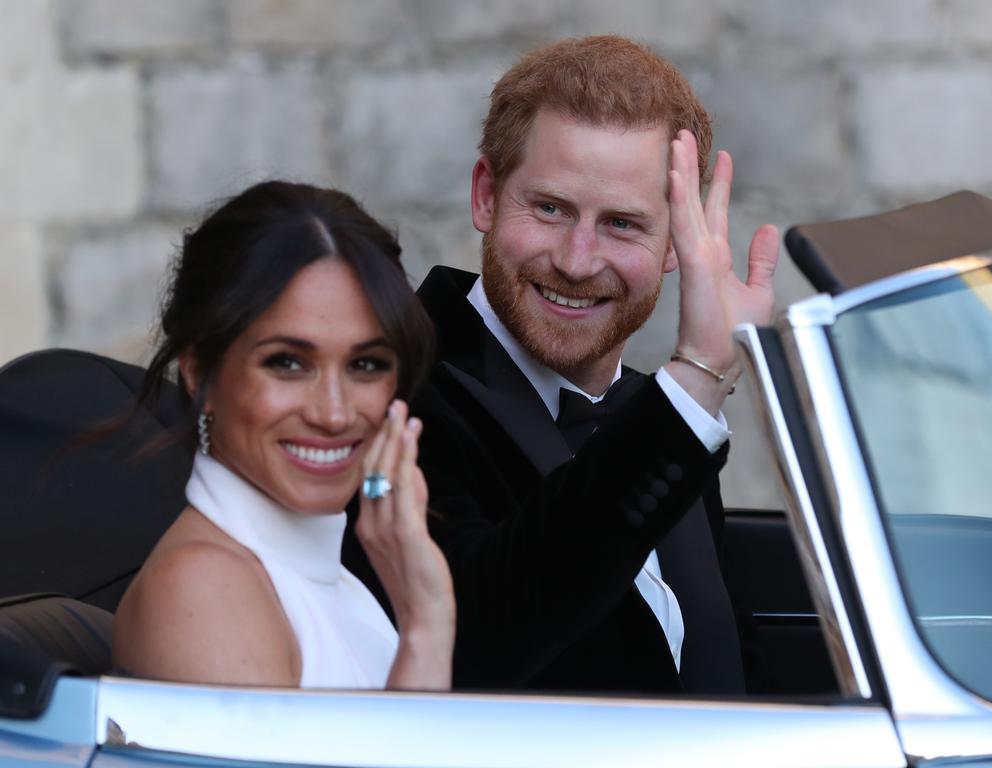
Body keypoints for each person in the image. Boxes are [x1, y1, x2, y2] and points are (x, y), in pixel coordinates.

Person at [342, 35, 780, 694]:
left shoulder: (655, 413)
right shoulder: (388, 388)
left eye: (623, 225)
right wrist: (696, 380)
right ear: (486, 195)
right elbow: (471, 642)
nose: (577, 260)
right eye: (549, 209)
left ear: (674, 244)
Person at [113, 181, 455, 690]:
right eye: (288, 363)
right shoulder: (204, 589)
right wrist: (426, 630)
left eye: (366, 364)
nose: (334, 414)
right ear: (198, 370)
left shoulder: (329, 579)